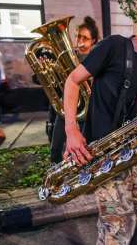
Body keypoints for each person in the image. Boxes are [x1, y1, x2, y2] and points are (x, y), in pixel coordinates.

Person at [63, 4, 137, 244]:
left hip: (130, 145)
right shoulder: (114, 45)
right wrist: (71, 130)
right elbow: (72, 81)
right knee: (117, 222)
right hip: (103, 148)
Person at [50, 16, 100, 163]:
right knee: (56, 148)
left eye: (85, 38)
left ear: (94, 41)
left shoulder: (98, 59)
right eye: (78, 36)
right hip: (66, 111)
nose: (80, 41)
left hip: (87, 113)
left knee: (82, 149)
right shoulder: (68, 57)